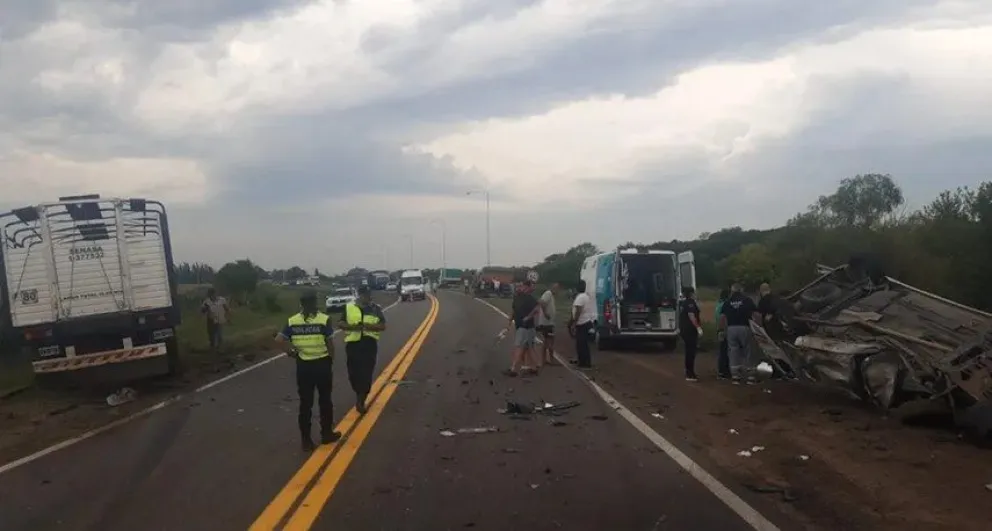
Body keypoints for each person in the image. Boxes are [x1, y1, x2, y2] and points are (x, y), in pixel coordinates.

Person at [275, 291, 340, 451]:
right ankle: (326, 434)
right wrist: (331, 361)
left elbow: (279, 340)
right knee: (325, 401)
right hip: (322, 364)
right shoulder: (324, 319)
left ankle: (306, 440)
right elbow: (330, 344)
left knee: (306, 404)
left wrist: (290, 352)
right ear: (315, 303)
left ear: (301, 304)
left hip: (303, 366)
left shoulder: (292, 321)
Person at [338, 285, 387, 414]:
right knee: (353, 374)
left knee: (366, 373)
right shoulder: (349, 307)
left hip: (369, 344)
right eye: (364, 294)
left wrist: (371, 326)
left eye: (368, 294)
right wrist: (351, 327)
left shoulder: (376, 309)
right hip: (353, 345)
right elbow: (340, 323)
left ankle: (361, 400)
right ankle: (359, 392)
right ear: (359, 295)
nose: (367, 297)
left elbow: (383, 326)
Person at [718, 283, 759, 384]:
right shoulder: (747, 300)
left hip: (731, 329)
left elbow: (723, 318)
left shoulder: (727, 302)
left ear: (732, 291)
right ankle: (751, 377)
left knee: (733, 351)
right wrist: (758, 327)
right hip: (745, 327)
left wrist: (722, 330)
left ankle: (735, 376)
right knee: (748, 350)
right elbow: (755, 314)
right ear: (741, 290)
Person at [505, 280, 541, 376]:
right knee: (529, 347)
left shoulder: (530, 299)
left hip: (525, 327)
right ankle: (535, 367)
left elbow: (537, 309)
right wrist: (510, 320)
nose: (520, 288)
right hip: (521, 326)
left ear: (528, 288)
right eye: (519, 286)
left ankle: (513, 368)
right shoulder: (517, 298)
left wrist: (528, 317)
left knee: (519, 347)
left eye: (523, 286)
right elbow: (514, 309)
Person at [569, 280, 596, 369]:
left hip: (582, 322)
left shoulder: (580, 297)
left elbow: (578, 310)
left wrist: (574, 322)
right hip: (586, 321)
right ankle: (584, 362)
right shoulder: (586, 296)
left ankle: (584, 363)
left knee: (581, 344)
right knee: (583, 344)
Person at [679, 287, 703, 382]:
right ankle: (690, 373)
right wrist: (698, 327)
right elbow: (691, 316)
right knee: (691, 351)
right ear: (691, 293)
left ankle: (689, 371)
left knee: (689, 351)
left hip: (685, 330)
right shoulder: (690, 303)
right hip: (689, 330)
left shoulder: (685, 303)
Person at [535, 282, 559, 365]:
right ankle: (551, 360)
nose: (557, 290)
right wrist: (545, 313)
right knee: (550, 341)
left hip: (548, 322)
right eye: (556, 288)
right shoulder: (548, 293)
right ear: (552, 287)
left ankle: (544, 359)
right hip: (547, 323)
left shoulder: (551, 295)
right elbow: (541, 302)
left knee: (546, 341)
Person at [200, 288, 230, 352]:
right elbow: (203, 311)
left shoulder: (221, 300)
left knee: (219, 334)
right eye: (210, 294)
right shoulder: (206, 301)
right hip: (211, 320)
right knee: (211, 335)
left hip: (220, 319)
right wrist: (205, 308)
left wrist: (228, 317)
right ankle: (213, 347)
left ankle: (220, 348)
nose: (213, 295)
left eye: (213, 294)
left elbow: (226, 308)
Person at [714, 288, 732, 379]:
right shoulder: (725, 305)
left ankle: (722, 371)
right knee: (725, 350)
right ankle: (724, 371)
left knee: (722, 350)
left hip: (719, 328)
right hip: (724, 329)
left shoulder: (718, 304)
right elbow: (723, 318)